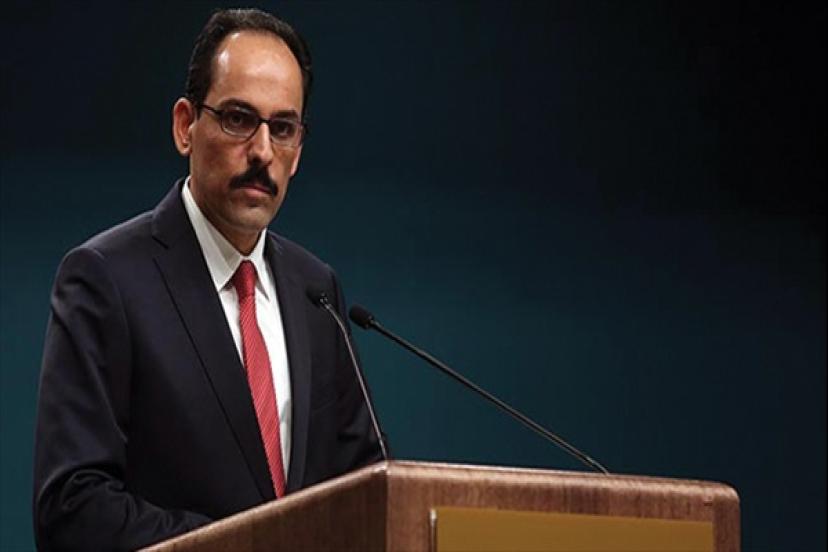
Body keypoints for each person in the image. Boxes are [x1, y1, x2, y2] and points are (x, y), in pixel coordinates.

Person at [32, 8, 381, 551]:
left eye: (283, 129)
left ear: (297, 152)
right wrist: (250, 545)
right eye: (239, 119)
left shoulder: (316, 290)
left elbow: (370, 489)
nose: (262, 151)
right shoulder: (106, 280)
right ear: (185, 126)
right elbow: (74, 510)